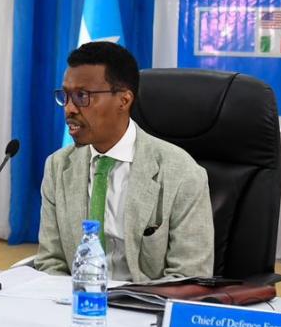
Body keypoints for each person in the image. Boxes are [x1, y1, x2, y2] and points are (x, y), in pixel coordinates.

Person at [33, 41, 213, 282]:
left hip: (145, 302)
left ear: (124, 100)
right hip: (77, 300)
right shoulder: (58, 166)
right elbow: (50, 261)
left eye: (82, 96)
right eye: (65, 96)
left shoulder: (182, 172)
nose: (69, 108)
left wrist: (125, 300)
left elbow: (189, 275)